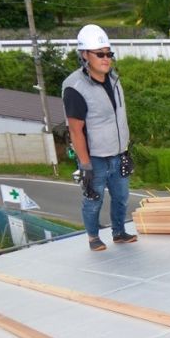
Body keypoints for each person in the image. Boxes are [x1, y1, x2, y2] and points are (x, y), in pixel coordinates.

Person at [62, 24, 137, 252]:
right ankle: (93, 237)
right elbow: (76, 130)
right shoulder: (75, 87)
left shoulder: (114, 79)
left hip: (118, 152)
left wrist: (125, 149)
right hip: (95, 157)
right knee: (93, 200)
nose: (106, 59)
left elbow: (118, 118)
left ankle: (119, 232)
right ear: (85, 55)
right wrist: (85, 166)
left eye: (108, 54)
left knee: (121, 196)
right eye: (100, 54)